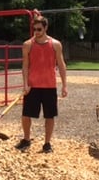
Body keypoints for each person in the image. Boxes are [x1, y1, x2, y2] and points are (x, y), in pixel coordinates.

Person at [16, 13, 68, 153]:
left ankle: (47, 144)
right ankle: (26, 140)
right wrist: (25, 84)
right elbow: (25, 66)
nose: (36, 32)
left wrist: (64, 85)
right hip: (33, 86)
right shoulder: (27, 45)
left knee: (49, 116)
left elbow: (62, 65)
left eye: (39, 29)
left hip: (49, 86)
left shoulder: (56, 45)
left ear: (45, 28)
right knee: (26, 115)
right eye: (35, 29)